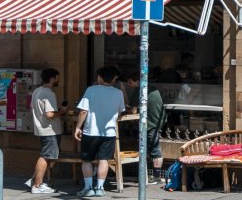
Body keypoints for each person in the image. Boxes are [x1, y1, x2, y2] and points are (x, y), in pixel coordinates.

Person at [75, 67, 127, 197]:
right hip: (109, 133)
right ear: (113, 78)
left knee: (87, 160)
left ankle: (88, 188)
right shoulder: (118, 93)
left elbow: (83, 111)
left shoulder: (91, 90)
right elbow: (120, 111)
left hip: (90, 131)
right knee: (104, 160)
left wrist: (78, 127)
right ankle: (99, 188)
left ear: (100, 77)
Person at [27, 68, 67, 194]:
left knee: (47, 156)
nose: (59, 80)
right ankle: (37, 185)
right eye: (57, 78)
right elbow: (49, 114)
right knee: (46, 156)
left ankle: (35, 181)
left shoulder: (37, 91)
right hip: (50, 130)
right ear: (52, 79)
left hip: (42, 128)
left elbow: (31, 108)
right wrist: (62, 111)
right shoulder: (49, 93)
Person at [125, 73, 167, 185]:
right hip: (158, 122)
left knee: (155, 150)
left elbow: (133, 111)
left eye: (130, 82)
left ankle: (157, 177)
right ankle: (154, 175)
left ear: (137, 81)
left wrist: (128, 109)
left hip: (149, 124)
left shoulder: (139, 91)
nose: (129, 84)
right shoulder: (153, 89)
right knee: (153, 148)